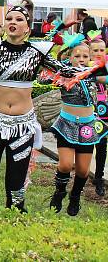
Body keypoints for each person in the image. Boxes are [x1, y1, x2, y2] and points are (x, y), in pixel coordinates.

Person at [0, 0, 104, 212]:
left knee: (17, 176)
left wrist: (99, 66)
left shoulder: (37, 53)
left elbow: (68, 72)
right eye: (9, 18)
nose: (13, 21)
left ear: (27, 28)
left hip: (23, 125)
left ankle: (15, 214)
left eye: (19, 19)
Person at [47, 36, 107, 216]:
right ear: (69, 57)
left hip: (88, 127)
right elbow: (46, 68)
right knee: (65, 165)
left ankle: (75, 197)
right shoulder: (63, 74)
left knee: (83, 170)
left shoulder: (93, 73)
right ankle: (59, 192)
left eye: (85, 56)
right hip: (67, 124)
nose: (81, 59)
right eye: (77, 56)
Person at [91, 38, 107, 197]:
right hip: (89, 113)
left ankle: (98, 177)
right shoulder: (86, 70)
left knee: (102, 146)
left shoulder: (105, 68)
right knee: (88, 145)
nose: (98, 53)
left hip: (104, 114)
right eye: (95, 50)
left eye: (102, 50)